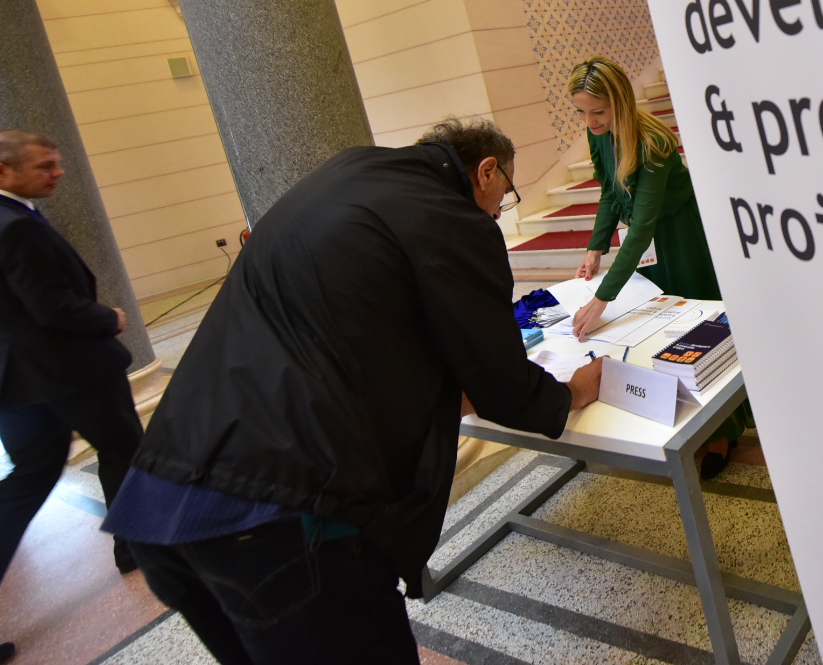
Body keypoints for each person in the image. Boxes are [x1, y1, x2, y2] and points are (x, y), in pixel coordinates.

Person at [101, 118, 603, 665]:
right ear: (487, 172)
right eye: (505, 196)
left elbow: (348, 337)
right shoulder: (450, 216)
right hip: (281, 515)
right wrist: (570, 393)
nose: (498, 210)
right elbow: (502, 379)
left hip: (160, 497)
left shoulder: (347, 171)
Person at [0, 130, 144, 662]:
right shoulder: (15, 227)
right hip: (67, 374)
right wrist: (109, 317)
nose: (58, 173)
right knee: (124, 447)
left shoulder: (13, 216)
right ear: (3, 171)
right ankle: (136, 547)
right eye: (44, 166)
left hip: (17, 384)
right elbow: (52, 306)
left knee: (27, 481)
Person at [566, 57, 749, 477]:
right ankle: (682, 417)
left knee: (699, 331)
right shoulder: (600, 136)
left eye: (598, 111)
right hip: (647, 243)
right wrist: (595, 247)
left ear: (620, 102)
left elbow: (643, 224)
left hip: (679, 236)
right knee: (660, 330)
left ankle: (726, 429)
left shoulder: (653, 143)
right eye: (582, 111)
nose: (590, 121)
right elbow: (612, 194)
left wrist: (600, 300)